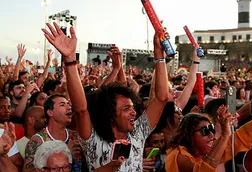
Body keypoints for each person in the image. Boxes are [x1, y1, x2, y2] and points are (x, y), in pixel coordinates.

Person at [41, 22, 169, 171]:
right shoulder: (93, 140)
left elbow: (161, 98)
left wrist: (159, 55)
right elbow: (81, 109)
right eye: (127, 108)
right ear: (110, 114)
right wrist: (70, 60)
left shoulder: (138, 133)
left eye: (133, 107)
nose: (134, 112)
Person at [165, 103, 252, 172]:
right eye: (205, 131)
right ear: (188, 135)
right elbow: (202, 169)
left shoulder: (209, 153)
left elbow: (244, 136)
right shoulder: (178, 155)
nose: (211, 135)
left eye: (211, 129)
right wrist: (225, 135)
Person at [23, 94, 85, 172]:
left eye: (68, 104)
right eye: (62, 105)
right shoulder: (38, 140)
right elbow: (28, 170)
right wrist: (66, 154)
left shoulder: (76, 136)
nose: (69, 107)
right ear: (50, 112)